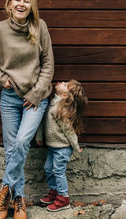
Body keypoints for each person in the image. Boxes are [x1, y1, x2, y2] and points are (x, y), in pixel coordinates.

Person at [0, 0, 54, 219]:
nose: (21, 4)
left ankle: (4, 194)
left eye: (26, 1)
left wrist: (37, 92)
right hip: (10, 99)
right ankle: (18, 199)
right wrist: (1, 79)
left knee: (20, 143)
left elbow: (48, 63)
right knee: (12, 150)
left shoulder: (40, 28)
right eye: (17, 0)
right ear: (9, 4)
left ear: (31, 6)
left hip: (36, 99)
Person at [35, 79, 87, 211]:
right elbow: (43, 122)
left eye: (65, 85)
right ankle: (55, 192)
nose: (62, 82)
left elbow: (69, 131)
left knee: (58, 171)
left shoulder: (61, 110)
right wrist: (39, 136)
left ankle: (63, 198)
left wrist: (75, 146)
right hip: (53, 147)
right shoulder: (51, 104)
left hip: (62, 148)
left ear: (64, 96)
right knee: (48, 169)